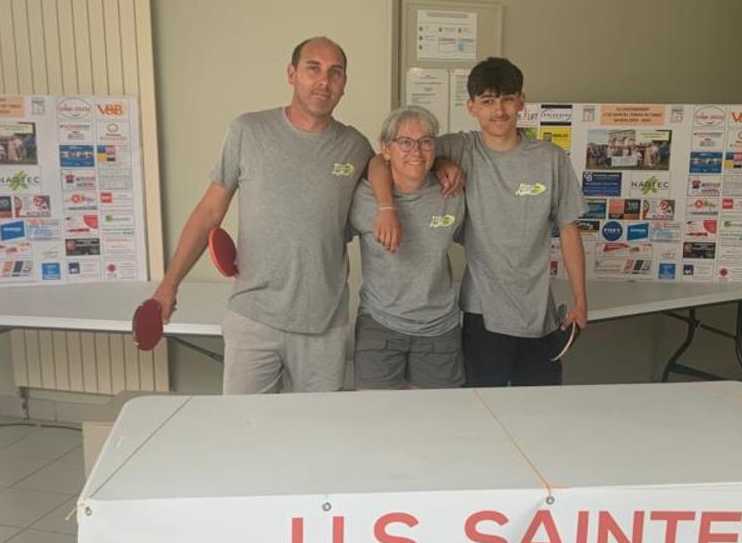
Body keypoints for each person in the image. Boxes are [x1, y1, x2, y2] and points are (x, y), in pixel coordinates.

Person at [150, 37, 373, 393]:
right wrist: (168, 285)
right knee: (245, 424)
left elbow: (395, 173)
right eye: (313, 68)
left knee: (318, 426)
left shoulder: (356, 147)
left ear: (344, 83)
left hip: (324, 324)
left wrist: (441, 166)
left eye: (335, 72)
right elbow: (209, 211)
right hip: (253, 317)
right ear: (291, 74)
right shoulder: (248, 130)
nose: (324, 81)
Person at [369, 56, 587, 387]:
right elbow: (382, 160)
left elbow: (569, 230)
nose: (498, 110)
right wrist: (394, 200)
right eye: (487, 101)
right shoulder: (461, 147)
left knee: (539, 409)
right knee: (483, 407)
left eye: (507, 99)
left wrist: (581, 300)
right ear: (471, 107)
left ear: (521, 102)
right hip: (481, 312)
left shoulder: (550, 158)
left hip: (538, 312)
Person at [349, 106, 466, 389]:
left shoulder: (451, 193)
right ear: (386, 149)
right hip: (380, 323)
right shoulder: (362, 198)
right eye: (405, 142)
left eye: (425, 141)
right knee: (378, 413)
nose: (416, 151)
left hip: (439, 329)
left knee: (435, 414)